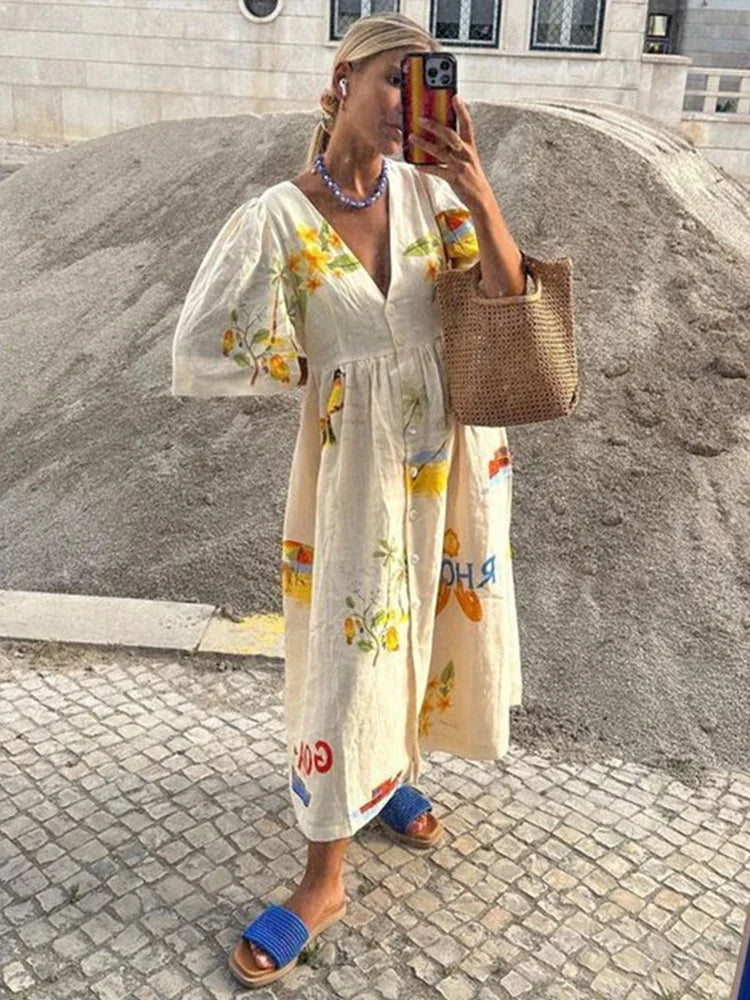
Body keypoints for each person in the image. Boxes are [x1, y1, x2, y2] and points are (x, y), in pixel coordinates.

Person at [172, 11, 536, 989]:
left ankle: (392, 775)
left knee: (429, 624)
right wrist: (304, 366)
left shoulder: (432, 194)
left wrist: (477, 187)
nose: (408, 103)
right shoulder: (278, 216)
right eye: (392, 80)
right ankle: (322, 878)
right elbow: (203, 338)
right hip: (354, 467)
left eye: (427, 83)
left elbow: (507, 295)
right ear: (343, 80)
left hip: (452, 451)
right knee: (348, 653)